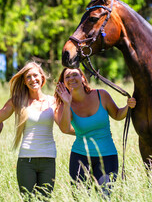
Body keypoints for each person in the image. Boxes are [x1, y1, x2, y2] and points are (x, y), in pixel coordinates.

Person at [0, 61, 57, 200]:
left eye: (35, 75)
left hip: (49, 159)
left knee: (45, 199)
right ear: (24, 82)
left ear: (42, 77)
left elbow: (65, 124)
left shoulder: (53, 101)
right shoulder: (17, 101)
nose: (33, 79)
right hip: (27, 161)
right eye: (28, 77)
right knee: (28, 199)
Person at [54, 67, 136, 196]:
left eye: (74, 74)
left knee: (104, 196)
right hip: (80, 157)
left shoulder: (101, 95)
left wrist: (128, 107)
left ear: (82, 77)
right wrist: (67, 103)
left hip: (107, 156)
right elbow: (64, 128)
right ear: (63, 83)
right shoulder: (64, 105)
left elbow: (117, 114)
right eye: (67, 77)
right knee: (80, 197)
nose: (71, 78)